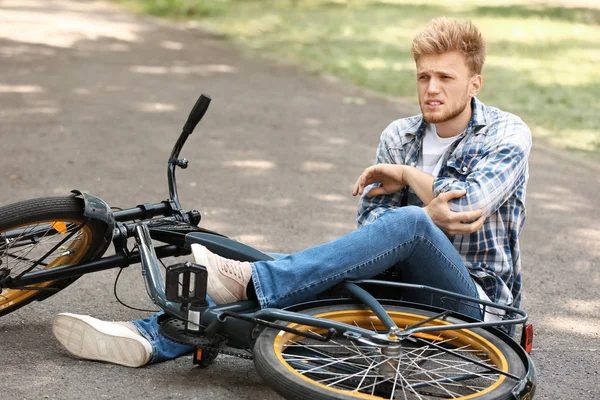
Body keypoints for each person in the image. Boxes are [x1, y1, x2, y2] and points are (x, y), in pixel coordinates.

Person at [51, 17, 531, 368]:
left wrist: (408, 180)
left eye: (445, 77)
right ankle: (148, 338)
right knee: (310, 269)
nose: (431, 88)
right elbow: (372, 233)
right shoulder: (399, 135)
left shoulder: (507, 134)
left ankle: (246, 279)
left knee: (407, 223)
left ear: (474, 82)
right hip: (399, 287)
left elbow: (466, 207)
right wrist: (416, 217)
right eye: (423, 76)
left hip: (474, 302)